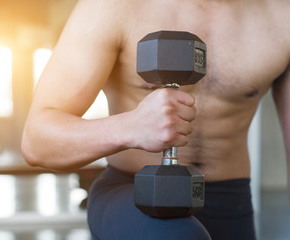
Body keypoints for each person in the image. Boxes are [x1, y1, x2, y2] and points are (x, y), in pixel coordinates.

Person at [21, 1, 290, 239]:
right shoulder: (112, 6)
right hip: (132, 194)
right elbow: (37, 142)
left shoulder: (281, 18)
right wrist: (131, 127)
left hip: (230, 201)